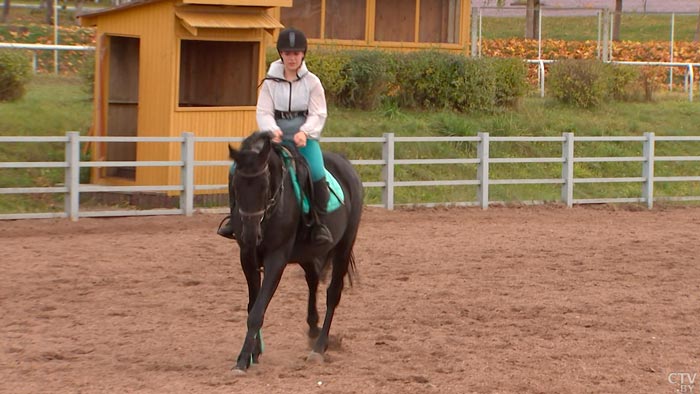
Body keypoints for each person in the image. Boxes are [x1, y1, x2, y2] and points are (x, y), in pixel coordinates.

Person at [218, 27, 333, 245]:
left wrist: (305, 132)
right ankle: (234, 219)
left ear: (303, 54)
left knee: (317, 171)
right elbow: (263, 111)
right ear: (281, 54)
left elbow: (319, 112)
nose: (292, 57)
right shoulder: (270, 82)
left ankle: (320, 225)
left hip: (302, 134)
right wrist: (272, 130)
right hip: (274, 132)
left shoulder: (313, 82)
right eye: (288, 53)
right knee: (235, 168)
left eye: (296, 53)